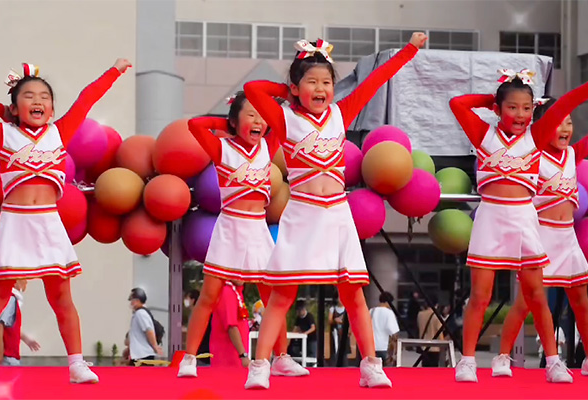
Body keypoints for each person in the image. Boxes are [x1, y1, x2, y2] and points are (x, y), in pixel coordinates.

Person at [243, 32, 427, 389]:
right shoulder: (283, 118)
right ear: (296, 88)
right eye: (311, 82)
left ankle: (371, 365)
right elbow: (252, 89)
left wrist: (409, 50)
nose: (320, 88)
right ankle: (261, 365)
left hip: (337, 213)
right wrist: (286, 90)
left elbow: (376, 79)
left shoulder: (341, 112)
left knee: (353, 292)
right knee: (283, 293)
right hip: (302, 213)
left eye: (326, 82)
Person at [0, 59, 130, 383]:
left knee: (62, 297)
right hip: (15, 222)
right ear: (15, 106)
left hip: (49, 224)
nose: (38, 101)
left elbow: (86, 98)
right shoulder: (4, 132)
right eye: (28, 96)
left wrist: (114, 70)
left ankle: (77, 364)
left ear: (52, 109)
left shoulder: (59, 132)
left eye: (44, 97)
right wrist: (2, 108)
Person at [449, 68, 588, 383]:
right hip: (491, 218)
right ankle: (468, 360)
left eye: (527, 108)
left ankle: (553, 361)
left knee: (536, 295)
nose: (521, 114)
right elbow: (457, 104)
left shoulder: (536, 137)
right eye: (512, 107)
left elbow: (568, 102)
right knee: (480, 295)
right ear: (498, 111)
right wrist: (492, 99)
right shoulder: (483, 134)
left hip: (525, 219)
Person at [178, 92, 307, 378]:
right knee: (209, 295)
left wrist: (277, 98)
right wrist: (229, 120)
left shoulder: (269, 145)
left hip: (258, 227)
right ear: (235, 121)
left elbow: (284, 118)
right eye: (251, 114)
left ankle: (281, 357)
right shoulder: (221, 148)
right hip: (230, 227)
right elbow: (196, 125)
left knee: (273, 295)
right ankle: (189, 358)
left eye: (262, 116)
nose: (258, 120)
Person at [493, 94, 588, 377]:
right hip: (540, 235)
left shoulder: (573, 154)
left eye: (569, 123)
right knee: (526, 303)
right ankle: (502, 356)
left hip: (567, 237)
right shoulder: (531, 155)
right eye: (557, 124)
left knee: (581, 300)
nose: (564, 130)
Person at [0, 280, 40, 365]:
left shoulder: (4, 297)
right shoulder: (9, 299)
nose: (26, 282)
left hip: (6, 355)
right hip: (6, 356)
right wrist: (0, 353)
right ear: (15, 282)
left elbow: (8, 326)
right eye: (24, 279)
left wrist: (26, 339)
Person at [128, 288, 163, 366]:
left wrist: (155, 346)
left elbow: (149, 330)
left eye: (132, 300)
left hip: (142, 355)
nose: (131, 303)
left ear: (137, 300)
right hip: (139, 354)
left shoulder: (140, 313)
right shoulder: (139, 313)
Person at [370, 292, 399, 366]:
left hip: (370, 346)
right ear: (388, 302)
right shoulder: (389, 313)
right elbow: (393, 332)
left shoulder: (371, 311)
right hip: (383, 347)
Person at [417, 297, 443, 367]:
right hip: (434, 348)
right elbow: (440, 332)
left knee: (424, 368)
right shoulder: (437, 316)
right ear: (436, 305)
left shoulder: (420, 315)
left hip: (423, 346)